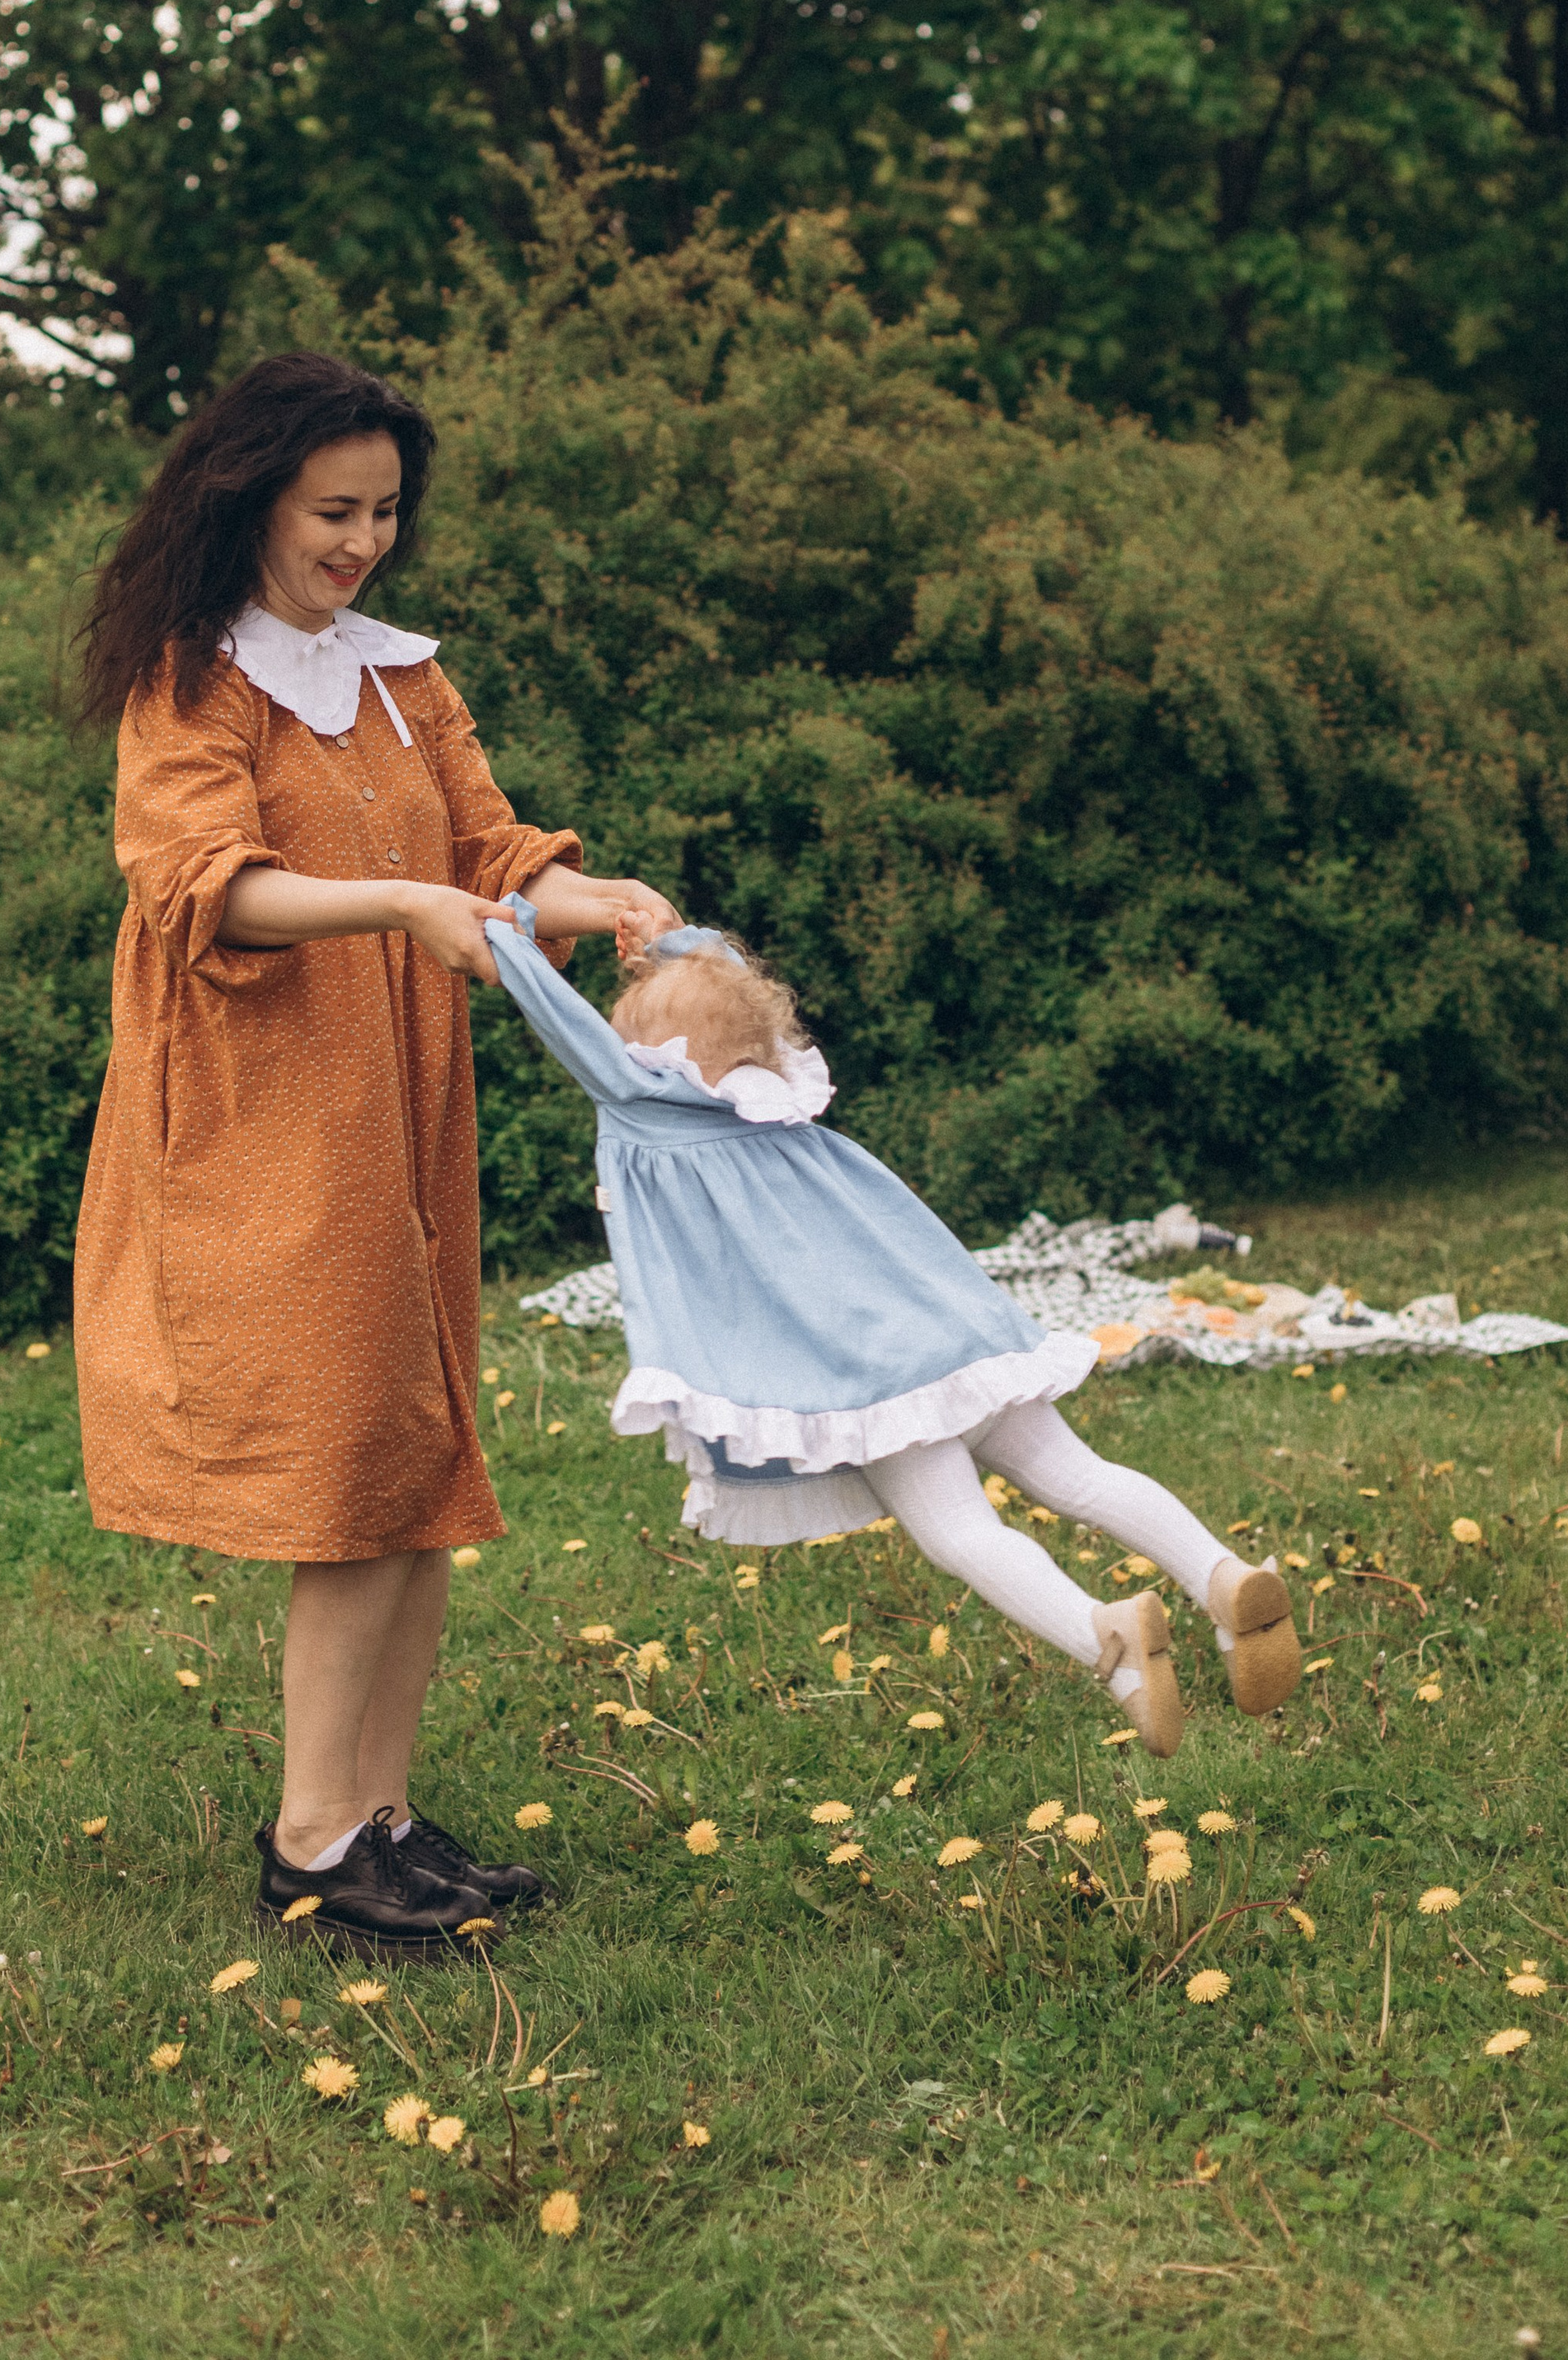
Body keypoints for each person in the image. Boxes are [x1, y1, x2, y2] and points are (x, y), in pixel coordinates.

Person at [72, 350, 679, 1957]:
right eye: (331, 509)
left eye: (384, 512)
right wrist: (403, 910)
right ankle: (311, 1843)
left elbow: (486, 857)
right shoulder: (192, 678)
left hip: (398, 1118)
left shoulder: (402, 679)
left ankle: (382, 1816)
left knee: (415, 1459)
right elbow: (204, 888)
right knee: (351, 1467)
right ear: (250, 499)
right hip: (269, 1124)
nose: (359, 541)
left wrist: (598, 901)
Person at [490, 906, 1301, 1755]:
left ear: (653, 1058)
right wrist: (671, 946)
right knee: (1076, 1472)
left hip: (862, 1370)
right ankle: (1223, 1575)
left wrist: (506, 937)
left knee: (957, 1529)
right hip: (950, 1332)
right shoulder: (777, 1093)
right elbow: (725, 967)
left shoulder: (648, 1102)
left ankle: (1109, 1637)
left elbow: (561, 1018)